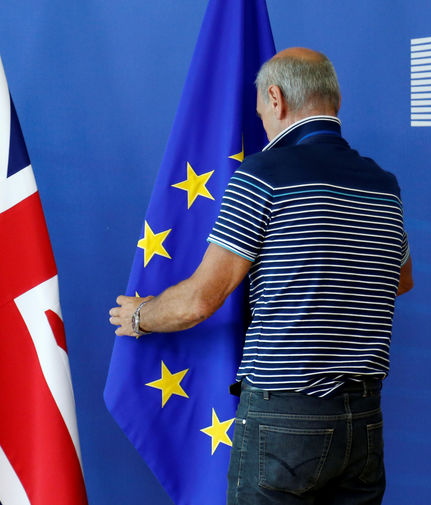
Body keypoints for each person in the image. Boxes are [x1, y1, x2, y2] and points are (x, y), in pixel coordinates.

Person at [109, 47, 412, 505]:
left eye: (261, 114)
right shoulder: (381, 183)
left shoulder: (263, 175)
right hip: (364, 421)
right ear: (337, 99)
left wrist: (139, 317)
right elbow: (400, 278)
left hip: (284, 421)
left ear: (276, 99)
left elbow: (201, 299)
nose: (264, 126)